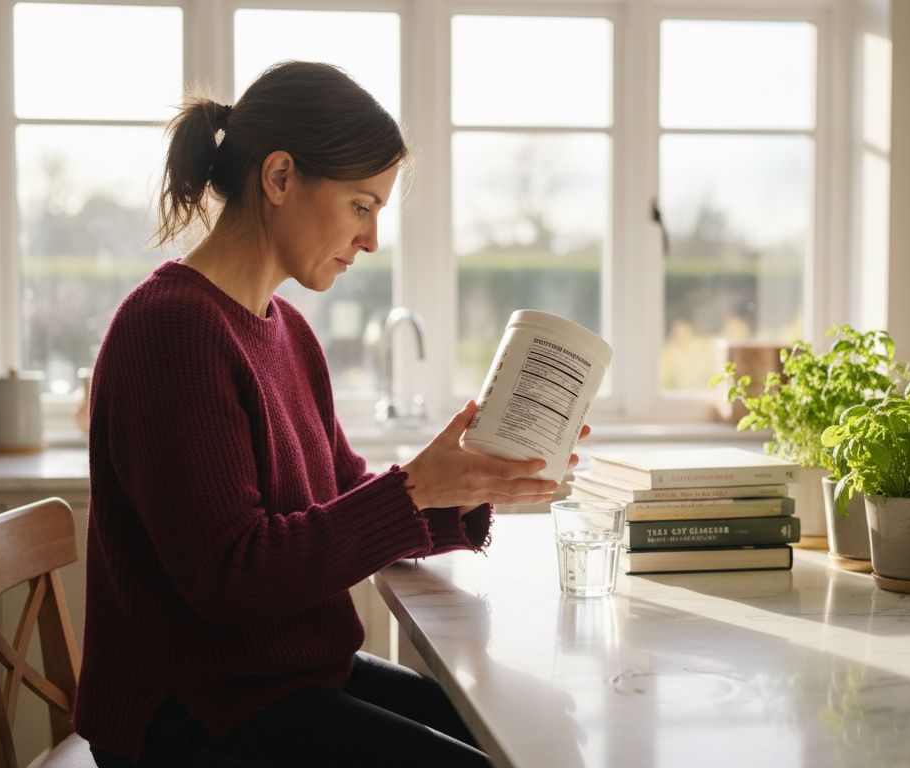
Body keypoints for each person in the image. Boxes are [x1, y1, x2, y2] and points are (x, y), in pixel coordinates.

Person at [74, 61, 586, 767]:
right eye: (362, 205)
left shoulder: (286, 328)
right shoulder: (171, 330)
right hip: (192, 713)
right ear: (280, 177)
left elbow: (340, 497)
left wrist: (469, 483)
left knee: (521, 733)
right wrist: (416, 491)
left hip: (277, 682)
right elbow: (232, 577)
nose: (373, 239)